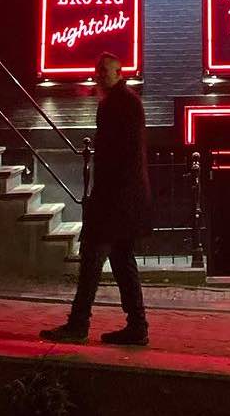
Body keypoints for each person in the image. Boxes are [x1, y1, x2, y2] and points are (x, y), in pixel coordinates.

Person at [41, 53, 152, 345]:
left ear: (119, 72)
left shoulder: (119, 104)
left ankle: (79, 324)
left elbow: (120, 157)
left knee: (92, 258)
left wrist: (101, 196)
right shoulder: (123, 102)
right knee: (122, 260)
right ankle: (137, 326)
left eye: (106, 70)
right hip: (126, 199)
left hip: (115, 199)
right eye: (98, 70)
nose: (101, 75)